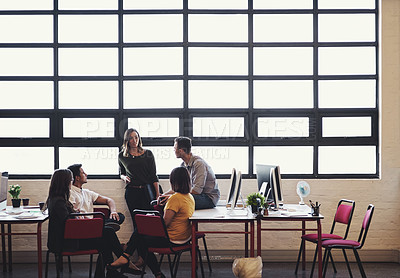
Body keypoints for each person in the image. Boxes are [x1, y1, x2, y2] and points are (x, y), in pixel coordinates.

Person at [109, 166, 195, 278]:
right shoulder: (190, 197)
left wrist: (150, 221)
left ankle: (126, 256)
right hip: (185, 238)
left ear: (173, 181)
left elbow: (164, 225)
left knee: (141, 233)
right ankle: (130, 259)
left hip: (172, 240)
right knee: (141, 232)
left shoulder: (175, 199)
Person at [45, 169, 127, 278]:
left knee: (107, 234)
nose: (71, 182)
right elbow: (69, 224)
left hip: (67, 239)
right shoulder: (59, 201)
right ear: (65, 182)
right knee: (107, 235)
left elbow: (68, 219)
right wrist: (78, 217)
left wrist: (76, 213)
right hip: (65, 243)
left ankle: (117, 266)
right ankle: (123, 261)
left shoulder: (57, 199)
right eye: (70, 180)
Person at [161, 136, 220, 210]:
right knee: (167, 200)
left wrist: (172, 197)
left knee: (175, 200)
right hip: (195, 195)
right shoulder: (183, 165)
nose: (174, 150)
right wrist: (164, 195)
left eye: (175, 148)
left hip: (208, 198)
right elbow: (178, 188)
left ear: (181, 150)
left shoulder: (198, 164)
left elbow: (196, 191)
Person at [118, 128, 160, 223]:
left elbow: (153, 175)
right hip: (132, 192)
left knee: (150, 221)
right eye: (131, 138)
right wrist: (124, 177)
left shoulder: (148, 154)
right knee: (136, 221)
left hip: (147, 191)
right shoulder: (122, 156)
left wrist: (157, 194)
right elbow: (122, 173)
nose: (134, 140)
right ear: (127, 140)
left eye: (136, 137)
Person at [67, 164, 125, 231]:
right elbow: (73, 213)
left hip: (92, 221)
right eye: (83, 173)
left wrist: (113, 211)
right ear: (77, 177)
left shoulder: (86, 192)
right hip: (83, 223)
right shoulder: (71, 193)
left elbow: (109, 200)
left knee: (120, 216)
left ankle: (101, 226)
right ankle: (102, 227)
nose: (86, 174)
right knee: (109, 231)